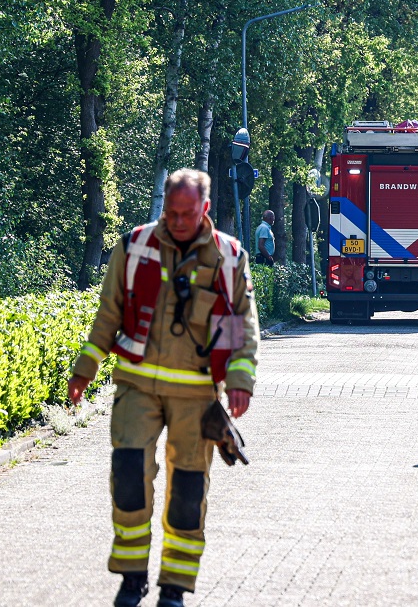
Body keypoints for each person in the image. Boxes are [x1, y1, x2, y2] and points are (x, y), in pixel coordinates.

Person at [67, 169, 259, 607]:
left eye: (187, 213)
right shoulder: (135, 247)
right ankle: (132, 577)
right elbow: (109, 313)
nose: (177, 221)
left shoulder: (228, 257)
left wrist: (240, 381)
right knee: (129, 476)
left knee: (189, 491)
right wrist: (85, 367)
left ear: (204, 209)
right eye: (171, 213)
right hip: (137, 385)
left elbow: (241, 325)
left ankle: (174, 586)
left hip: (197, 394)